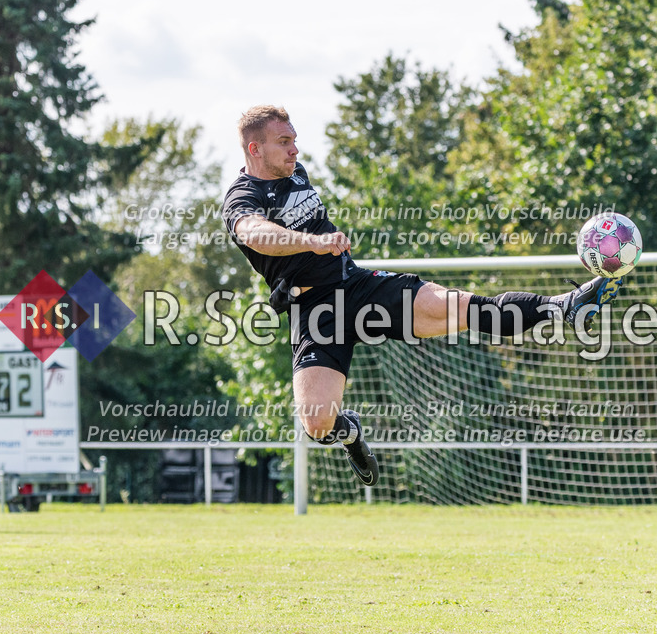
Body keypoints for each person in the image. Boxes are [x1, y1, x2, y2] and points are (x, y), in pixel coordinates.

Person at [221, 105, 622, 487]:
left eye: (295, 139)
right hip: (315, 313)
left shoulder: (295, 172)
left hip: (359, 288)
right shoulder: (242, 198)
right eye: (284, 142)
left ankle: (563, 307)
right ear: (255, 149)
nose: (295, 149)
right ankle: (351, 433)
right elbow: (256, 234)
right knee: (317, 424)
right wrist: (311, 244)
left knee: (460, 306)